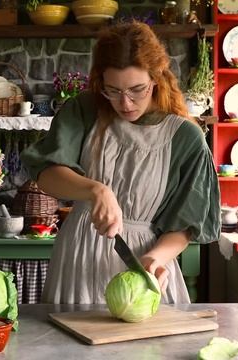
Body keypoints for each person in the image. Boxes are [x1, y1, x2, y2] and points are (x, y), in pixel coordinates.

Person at [21, 21, 220, 304]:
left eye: (137, 89)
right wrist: (95, 190)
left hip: (144, 265)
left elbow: (187, 223)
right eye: (112, 90)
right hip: (79, 257)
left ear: (156, 78)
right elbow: (45, 173)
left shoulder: (185, 136)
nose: (125, 103)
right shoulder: (84, 110)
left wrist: (156, 257)